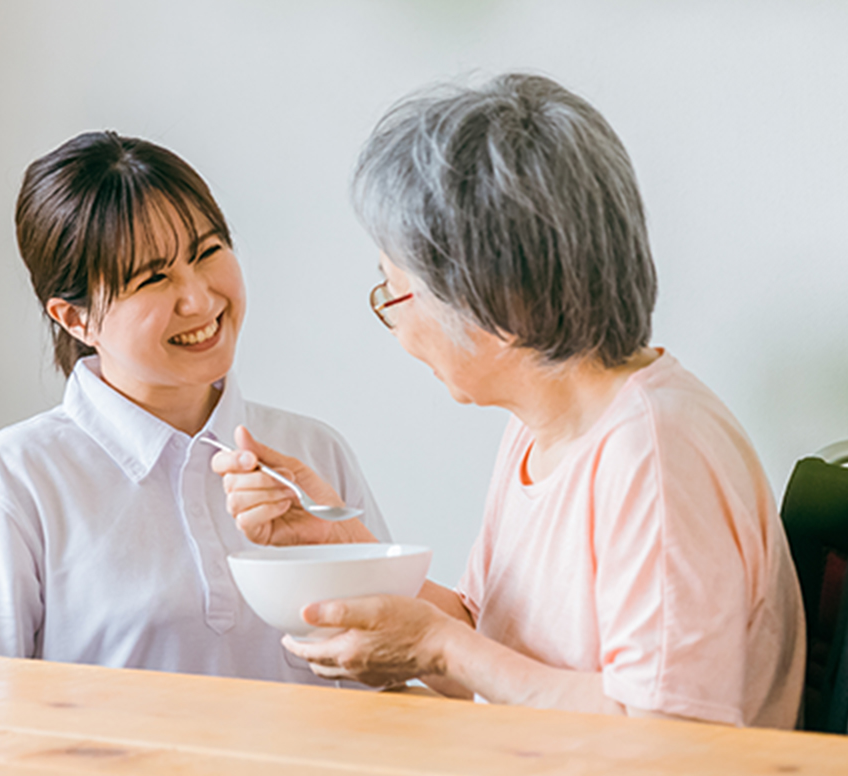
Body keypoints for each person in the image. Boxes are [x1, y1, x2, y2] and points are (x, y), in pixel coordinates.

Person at [0, 132, 387, 776]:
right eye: (152, 279)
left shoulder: (313, 456)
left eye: (207, 254)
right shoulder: (15, 482)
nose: (199, 299)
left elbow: (382, 684)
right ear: (73, 315)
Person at [214, 74, 804, 727]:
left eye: (396, 294)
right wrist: (339, 541)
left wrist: (439, 650)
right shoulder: (544, 428)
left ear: (499, 302)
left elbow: (667, 731)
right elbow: (492, 640)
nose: (397, 327)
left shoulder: (654, 452)